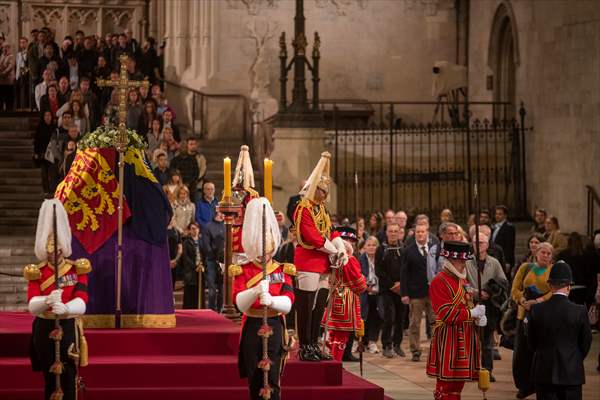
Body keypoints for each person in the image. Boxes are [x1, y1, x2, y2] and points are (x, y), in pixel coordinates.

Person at [25, 199, 91, 400]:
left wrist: (67, 309)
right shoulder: (37, 271)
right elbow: (32, 305)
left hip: (68, 327)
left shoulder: (76, 268)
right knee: (49, 378)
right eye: (50, 247)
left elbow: (82, 299)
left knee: (69, 377)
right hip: (44, 327)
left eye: (57, 246)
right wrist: (46, 301)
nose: (54, 252)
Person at [231, 197, 295, 400]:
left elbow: (289, 302)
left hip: (275, 324)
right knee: (255, 378)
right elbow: (238, 303)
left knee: (273, 378)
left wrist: (273, 301)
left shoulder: (281, 269)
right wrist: (256, 291)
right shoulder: (242, 270)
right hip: (252, 324)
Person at [293, 151, 347, 361]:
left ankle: (314, 344)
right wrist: (334, 251)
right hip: (308, 261)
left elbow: (330, 230)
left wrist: (341, 247)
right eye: (322, 191)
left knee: (319, 306)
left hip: (323, 262)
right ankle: (304, 345)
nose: (325, 195)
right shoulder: (303, 208)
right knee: (306, 305)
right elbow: (313, 237)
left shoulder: (320, 208)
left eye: (326, 192)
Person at [427, 240, 486, 400]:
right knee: (446, 385)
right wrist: (471, 313)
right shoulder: (439, 281)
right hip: (449, 337)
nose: (463, 264)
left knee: (458, 386)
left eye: (464, 261)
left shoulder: (462, 280)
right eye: (460, 261)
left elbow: (467, 303)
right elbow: (446, 314)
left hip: (465, 336)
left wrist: (478, 316)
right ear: (450, 260)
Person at [526, 261, 592, 400]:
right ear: (569, 286)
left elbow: (531, 343)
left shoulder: (536, 310)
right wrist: (573, 358)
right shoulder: (579, 311)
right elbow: (585, 343)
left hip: (543, 371)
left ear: (550, 285)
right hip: (571, 372)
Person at [511, 242, 554, 399]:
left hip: (544, 316)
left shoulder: (553, 270)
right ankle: (524, 386)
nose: (546, 255)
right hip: (524, 315)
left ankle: (541, 384)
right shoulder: (525, 267)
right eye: (543, 252)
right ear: (537, 253)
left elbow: (554, 291)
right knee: (522, 353)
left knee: (541, 352)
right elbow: (515, 288)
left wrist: (538, 301)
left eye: (549, 254)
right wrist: (523, 300)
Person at [466, 232, 508, 381]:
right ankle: (471, 370)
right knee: (471, 340)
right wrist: (475, 292)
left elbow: (503, 282)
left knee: (487, 341)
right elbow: (461, 284)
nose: (479, 245)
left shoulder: (494, 263)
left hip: (489, 306)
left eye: (482, 243)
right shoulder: (467, 262)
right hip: (471, 304)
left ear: (488, 245)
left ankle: (487, 370)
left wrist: (489, 291)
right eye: (476, 242)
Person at [321, 226, 367, 361]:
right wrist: (364, 281)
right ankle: (336, 361)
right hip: (346, 298)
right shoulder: (350, 260)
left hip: (335, 295)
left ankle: (333, 357)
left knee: (334, 333)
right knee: (342, 334)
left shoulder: (333, 258)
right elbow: (358, 283)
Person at [401, 223, 435, 362]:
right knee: (414, 323)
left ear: (427, 232)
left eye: (422, 232)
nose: (420, 234)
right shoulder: (408, 250)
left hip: (433, 292)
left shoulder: (434, 249)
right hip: (415, 293)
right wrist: (404, 293)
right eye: (418, 232)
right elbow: (404, 273)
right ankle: (415, 350)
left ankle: (436, 349)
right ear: (414, 233)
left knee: (435, 322)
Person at [375, 222, 406, 358]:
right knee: (389, 317)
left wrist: (401, 283)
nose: (393, 233)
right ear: (386, 233)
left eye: (395, 231)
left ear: (399, 233)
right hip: (387, 290)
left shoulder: (404, 248)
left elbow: (407, 269)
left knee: (400, 318)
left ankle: (397, 345)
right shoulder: (381, 250)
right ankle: (386, 345)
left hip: (402, 289)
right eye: (390, 231)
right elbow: (379, 271)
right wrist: (393, 285)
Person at [359, 236, 382, 354]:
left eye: (374, 245)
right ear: (364, 247)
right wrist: (366, 287)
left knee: (376, 316)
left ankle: (372, 342)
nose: (371, 247)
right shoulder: (360, 259)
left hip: (378, 292)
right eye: (369, 245)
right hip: (364, 291)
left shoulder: (381, 259)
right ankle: (360, 342)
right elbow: (358, 275)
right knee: (363, 317)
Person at [201, 211, 225, 311]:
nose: (223, 215)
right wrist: (214, 257)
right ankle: (211, 310)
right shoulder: (208, 226)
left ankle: (220, 310)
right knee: (212, 289)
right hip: (212, 260)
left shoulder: (226, 226)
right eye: (221, 212)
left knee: (222, 289)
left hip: (224, 261)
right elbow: (206, 245)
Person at [170, 137, 206, 202]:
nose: (184, 149)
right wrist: (181, 183)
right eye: (182, 147)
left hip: (192, 186)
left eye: (185, 147)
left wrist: (189, 183)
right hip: (178, 186)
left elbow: (196, 173)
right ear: (179, 149)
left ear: (187, 148)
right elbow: (172, 172)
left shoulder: (193, 159)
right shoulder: (174, 160)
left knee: (195, 203)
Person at [181, 222, 203, 309]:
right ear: (190, 231)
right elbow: (186, 257)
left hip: (201, 270)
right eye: (193, 229)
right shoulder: (186, 242)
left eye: (196, 228)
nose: (195, 231)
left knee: (199, 291)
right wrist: (195, 266)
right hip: (190, 271)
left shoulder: (202, 241)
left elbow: (204, 254)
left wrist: (202, 265)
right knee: (190, 292)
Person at [491, 205, 516, 269]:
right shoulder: (494, 227)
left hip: (503, 259)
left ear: (505, 215)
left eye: (500, 214)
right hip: (494, 257)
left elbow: (509, 245)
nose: (497, 216)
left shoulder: (509, 227)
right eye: (496, 214)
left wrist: (507, 262)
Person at [0, 42, 16, 110]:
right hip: (1, 80)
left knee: (8, 97)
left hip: (8, 80)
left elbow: (10, 67)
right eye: (3, 47)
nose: (4, 49)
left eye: (6, 47)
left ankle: (10, 112)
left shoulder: (11, 56)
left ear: (9, 48)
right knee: (1, 97)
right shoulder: (1, 56)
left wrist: (3, 73)